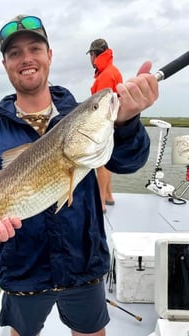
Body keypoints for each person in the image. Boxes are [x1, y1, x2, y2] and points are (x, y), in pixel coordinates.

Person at [0, 14, 158, 336]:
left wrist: (124, 122)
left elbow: (128, 160)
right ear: (6, 65)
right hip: (23, 267)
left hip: (82, 258)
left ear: (49, 56)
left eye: (34, 49)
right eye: (15, 53)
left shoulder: (79, 115)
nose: (26, 58)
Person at [87, 38, 123, 212]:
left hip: (105, 124)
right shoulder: (111, 71)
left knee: (101, 162)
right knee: (106, 160)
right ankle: (108, 195)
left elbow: (103, 105)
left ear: (94, 54)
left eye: (91, 55)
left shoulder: (106, 75)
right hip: (113, 123)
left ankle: (100, 202)